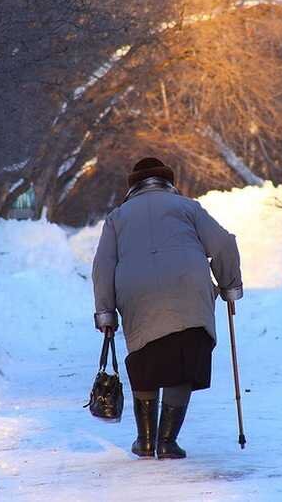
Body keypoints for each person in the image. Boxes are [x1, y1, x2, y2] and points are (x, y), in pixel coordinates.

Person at [92, 157, 243, 459]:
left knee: (145, 357)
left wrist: (106, 312)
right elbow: (224, 244)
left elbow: (103, 267)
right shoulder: (188, 208)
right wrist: (229, 285)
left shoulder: (117, 218)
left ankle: (145, 441)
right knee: (184, 359)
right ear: (168, 182)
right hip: (188, 290)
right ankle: (167, 441)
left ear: (133, 186)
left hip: (137, 294)